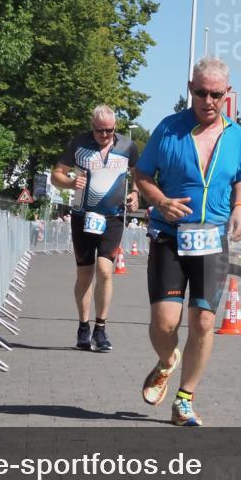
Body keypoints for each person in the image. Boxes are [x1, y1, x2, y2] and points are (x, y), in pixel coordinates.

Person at [133, 57, 241, 426]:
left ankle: (184, 399)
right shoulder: (168, 130)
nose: (208, 100)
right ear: (191, 89)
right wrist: (160, 201)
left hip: (213, 240)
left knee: (202, 321)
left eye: (216, 94)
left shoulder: (238, 137)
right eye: (201, 92)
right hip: (170, 236)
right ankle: (168, 360)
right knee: (164, 322)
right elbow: (142, 174)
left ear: (227, 94)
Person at [51, 105, 139, 353]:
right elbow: (56, 174)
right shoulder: (79, 144)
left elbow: (140, 175)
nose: (105, 135)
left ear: (115, 128)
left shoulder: (127, 146)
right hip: (83, 215)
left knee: (105, 270)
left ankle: (100, 329)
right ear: (92, 127)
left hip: (113, 217)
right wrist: (69, 182)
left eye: (109, 131)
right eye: (100, 131)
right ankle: (83, 326)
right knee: (85, 273)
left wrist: (135, 193)